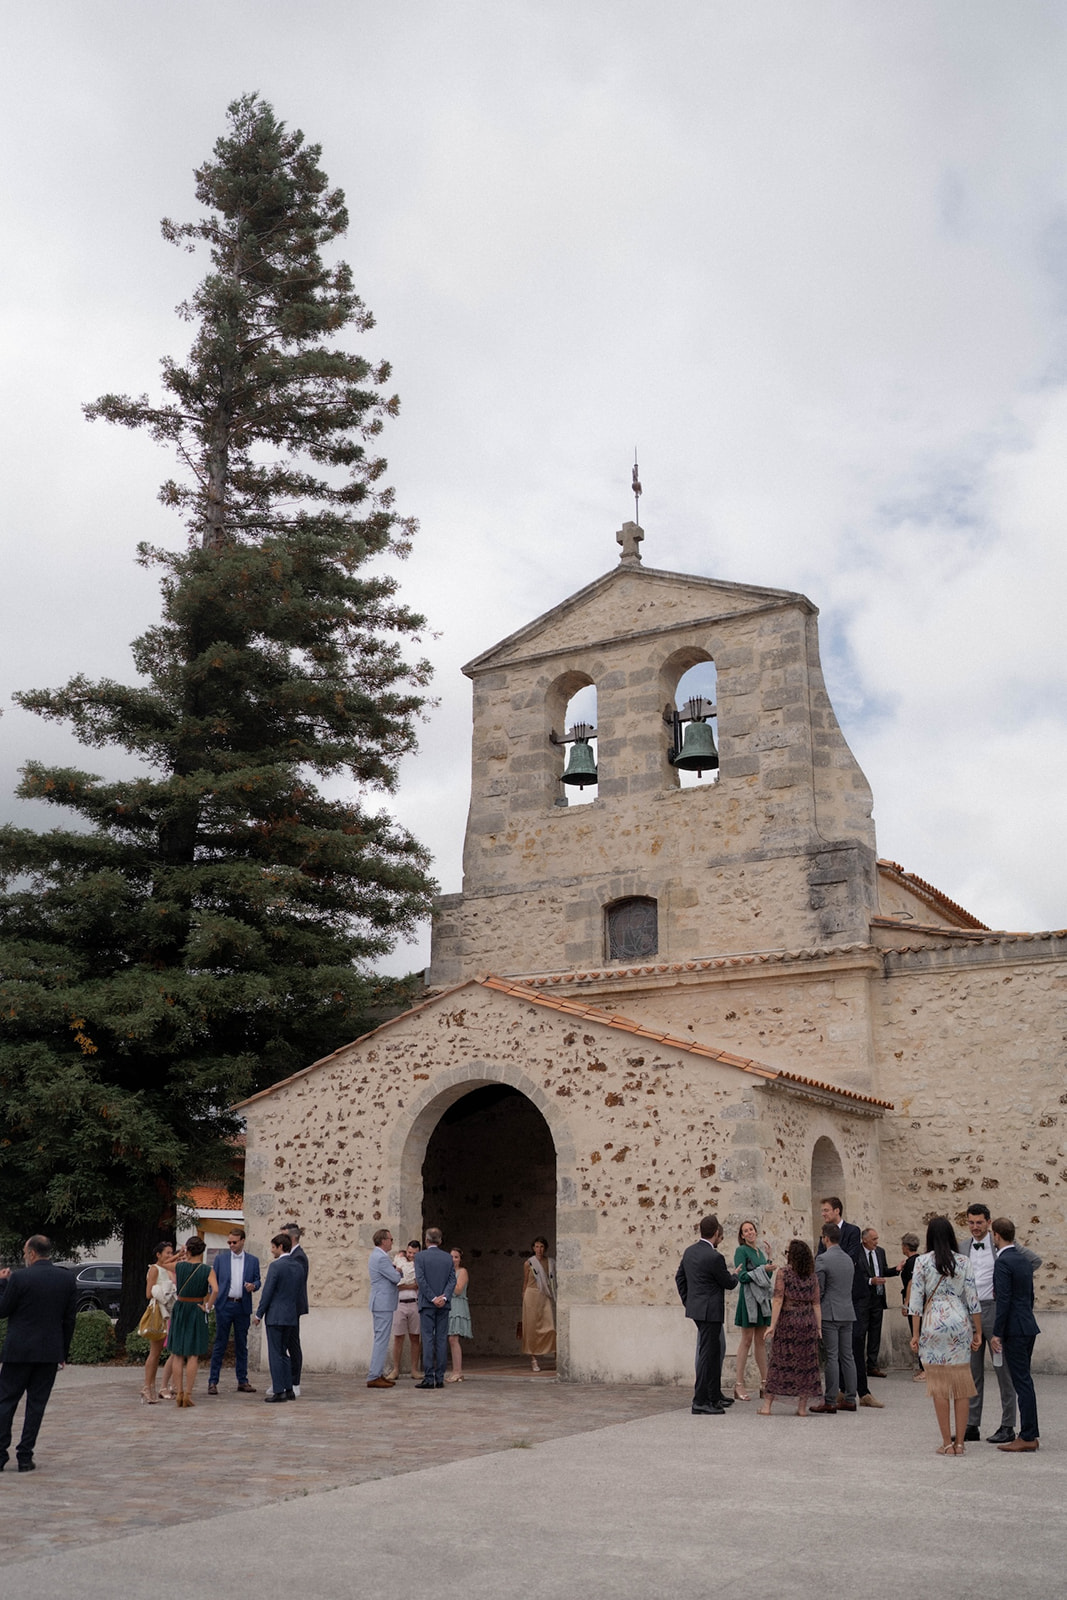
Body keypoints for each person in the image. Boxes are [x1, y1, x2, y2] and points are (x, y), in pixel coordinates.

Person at [959, 1201, 1041, 1445]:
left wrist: (1013, 1288)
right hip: (970, 1312)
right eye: (971, 1222)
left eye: (979, 1223)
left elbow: (1033, 1261)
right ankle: (972, 1424)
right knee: (972, 1371)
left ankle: (1008, 1425)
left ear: (989, 1223)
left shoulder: (1001, 1247)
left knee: (1003, 1371)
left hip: (997, 1311)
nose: (975, 1227)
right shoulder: (962, 1246)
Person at [0, 1234, 77, 1472]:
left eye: (25, 1252)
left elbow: (3, 1310)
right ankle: (25, 1455)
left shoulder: (20, 1278)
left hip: (18, 1350)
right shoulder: (66, 1279)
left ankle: (0, 1454)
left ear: (32, 1253)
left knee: (6, 1401)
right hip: (49, 1351)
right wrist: (62, 1352)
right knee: (36, 1404)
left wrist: (2, 1283)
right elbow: (69, 1320)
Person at [908, 1215, 981, 1455]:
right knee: (961, 1384)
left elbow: (916, 1301)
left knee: (939, 1385)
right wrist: (978, 1331)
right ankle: (960, 1443)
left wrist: (915, 1334)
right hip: (959, 1320)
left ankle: (946, 1443)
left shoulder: (922, 1262)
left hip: (932, 1321)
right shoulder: (963, 1261)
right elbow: (973, 1299)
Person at [675, 1214, 738, 1415]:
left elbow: (680, 1278)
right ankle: (701, 1400)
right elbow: (727, 1283)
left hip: (698, 1309)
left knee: (713, 1351)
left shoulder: (690, 1251)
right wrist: (735, 1275)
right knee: (708, 1355)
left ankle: (713, 1395)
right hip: (710, 1311)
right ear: (717, 1233)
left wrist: (689, 1301)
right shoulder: (715, 1257)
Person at [990, 1217, 1040, 1452]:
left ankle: (1028, 1435)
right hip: (1027, 1324)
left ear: (996, 1236)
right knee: (1024, 1380)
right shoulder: (1023, 1260)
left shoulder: (1003, 1262)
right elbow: (1029, 1296)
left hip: (1014, 1329)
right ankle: (1029, 1432)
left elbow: (1004, 1299)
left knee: (1021, 1381)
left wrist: (997, 1333)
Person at [759, 1238, 822, 1417]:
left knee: (779, 1362)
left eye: (787, 1252)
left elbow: (778, 1299)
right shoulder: (812, 1275)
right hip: (807, 1321)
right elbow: (816, 1303)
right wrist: (819, 1327)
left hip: (788, 1321)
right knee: (806, 1364)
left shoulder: (784, 1273)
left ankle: (767, 1406)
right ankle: (802, 1408)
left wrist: (772, 1325)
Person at [206, 1226, 261, 1397]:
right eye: (229, 1242)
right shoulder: (221, 1260)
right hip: (224, 1305)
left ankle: (242, 1380)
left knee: (241, 1344)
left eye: (234, 1242)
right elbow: (213, 1282)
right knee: (220, 1344)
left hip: (242, 1305)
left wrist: (254, 1286)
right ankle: (213, 1381)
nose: (231, 1245)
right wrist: (212, 1303)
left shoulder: (252, 1260)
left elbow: (258, 1280)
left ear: (243, 1241)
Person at [811, 1222, 857, 1413]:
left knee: (832, 1356)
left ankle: (830, 1399)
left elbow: (818, 1289)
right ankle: (850, 1398)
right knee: (848, 1356)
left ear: (826, 1238)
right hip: (847, 1310)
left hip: (830, 1312)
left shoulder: (822, 1259)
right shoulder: (847, 1258)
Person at [253, 1233, 305, 1402]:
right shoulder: (298, 1266)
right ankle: (289, 1388)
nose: (272, 1250)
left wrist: (259, 1313)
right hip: (291, 1314)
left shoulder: (276, 1266)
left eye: (273, 1247)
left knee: (275, 1353)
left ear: (281, 1247)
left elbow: (268, 1292)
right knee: (284, 1352)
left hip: (276, 1315)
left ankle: (278, 1390)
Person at [168, 1236, 217, 1407]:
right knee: (193, 1353)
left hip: (181, 1307)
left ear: (188, 1249)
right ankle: (188, 1393)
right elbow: (215, 1289)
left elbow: (161, 1264)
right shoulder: (206, 1270)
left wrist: (179, 1254)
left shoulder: (179, 1266)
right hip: (196, 1307)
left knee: (178, 1353)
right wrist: (208, 1306)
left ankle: (179, 1391)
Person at [732, 1220, 772, 1401]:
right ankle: (739, 1384)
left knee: (761, 1341)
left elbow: (767, 1277)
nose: (749, 1233)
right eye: (745, 1231)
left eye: (751, 1229)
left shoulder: (760, 1252)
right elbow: (741, 1276)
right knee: (746, 1340)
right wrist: (763, 1269)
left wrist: (769, 1261)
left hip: (761, 1300)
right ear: (741, 1235)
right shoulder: (741, 1251)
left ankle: (765, 1382)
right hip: (748, 1299)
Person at [414, 1227, 456, 1388]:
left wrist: (432, 1298)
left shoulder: (420, 1257)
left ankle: (429, 1376)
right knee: (441, 1339)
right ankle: (439, 1377)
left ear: (426, 1240)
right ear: (440, 1240)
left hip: (427, 1303)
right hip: (443, 1304)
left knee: (428, 1339)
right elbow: (452, 1280)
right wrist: (443, 1297)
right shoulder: (447, 1258)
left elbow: (421, 1279)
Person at [141, 1240, 178, 1404]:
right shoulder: (155, 1270)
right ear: (159, 1254)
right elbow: (149, 1293)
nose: (170, 1256)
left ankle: (155, 1387)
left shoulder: (168, 1269)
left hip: (170, 1311)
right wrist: (163, 1290)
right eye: (167, 1253)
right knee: (155, 1353)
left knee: (167, 1352)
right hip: (160, 1312)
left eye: (172, 1253)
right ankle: (148, 1386)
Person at [858, 1226, 898, 1377]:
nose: (876, 1242)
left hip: (878, 1298)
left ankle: (872, 1365)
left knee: (875, 1333)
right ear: (865, 1240)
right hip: (863, 1299)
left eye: (877, 1239)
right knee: (861, 1333)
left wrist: (896, 1270)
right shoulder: (857, 1253)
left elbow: (884, 1271)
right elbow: (855, 1276)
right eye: (874, 1239)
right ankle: (859, 1365)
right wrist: (870, 1281)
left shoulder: (880, 1252)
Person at [367, 1228, 402, 1388]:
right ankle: (374, 1375)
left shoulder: (377, 1256)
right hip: (383, 1303)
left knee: (380, 1338)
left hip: (380, 1302)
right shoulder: (381, 1258)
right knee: (381, 1339)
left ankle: (377, 1372)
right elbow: (395, 1278)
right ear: (383, 1241)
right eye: (390, 1239)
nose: (392, 1242)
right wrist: (399, 1271)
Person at [281, 1222, 309, 1397]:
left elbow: (296, 1283)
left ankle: (294, 1381)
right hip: (285, 1306)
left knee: (293, 1343)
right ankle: (283, 1380)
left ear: (291, 1238)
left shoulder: (299, 1256)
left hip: (292, 1306)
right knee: (283, 1343)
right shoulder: (288, 1255)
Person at [521, 1236, 557, 1374]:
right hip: (531, 1295)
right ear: (533, 1248)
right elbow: (525, 1281)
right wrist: (523, 1294)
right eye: (536, 1246)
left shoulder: (550, 1262)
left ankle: (555, 1356)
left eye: (541, 1246)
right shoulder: (529, 1263)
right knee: (531, 1328)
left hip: (545, 1295)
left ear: (545, 1248)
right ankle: (533, 1359)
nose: (539, 1249)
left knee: (550, 1328)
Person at [390, 1239, 422, 1381]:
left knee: (415, 1337)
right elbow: (396, 1284)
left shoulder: (420, 1265)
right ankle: (395, 1368)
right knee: (398, 1337)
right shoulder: (399, 1263)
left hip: (414, 1303)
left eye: (414, 1253)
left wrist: (409, 1284)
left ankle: (414, 1369)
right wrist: (410, 1285)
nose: (411, 1255)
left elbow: (419, 1284)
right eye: (409, 1252)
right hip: (400, 1303)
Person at [899, 1233, 923, 1379]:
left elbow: (911, 1283)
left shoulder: (911, 1263)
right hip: (919, 1302)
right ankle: (922, 1366)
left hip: (914, 1303)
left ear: (906, 1247)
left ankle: (924, 1367)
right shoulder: (919, 1260)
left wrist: (906, 1304)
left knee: (917, 1334)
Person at [446, 1248, 472, 1382]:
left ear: (460, 1259)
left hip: (457, 1305)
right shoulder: (446, 1272)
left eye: (456, 1257)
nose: (453, 1260)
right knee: (449, 1339)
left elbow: (458, 1290)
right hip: (447, 1305)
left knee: (453, 1339)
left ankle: (458, 1370)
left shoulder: (462, 1272)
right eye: (451, 1257)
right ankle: (454, 1370)